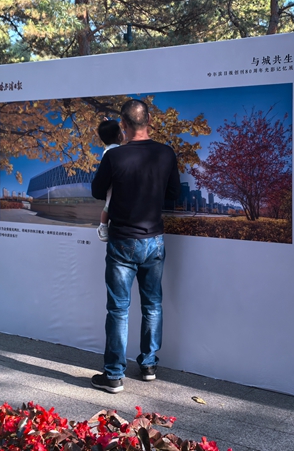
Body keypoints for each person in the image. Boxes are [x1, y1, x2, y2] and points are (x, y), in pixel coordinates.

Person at [90, 99, 181, 393]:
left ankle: (114, 376)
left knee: (118, 309)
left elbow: (96, 191)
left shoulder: (115, 157)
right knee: (152, 304)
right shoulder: (166, 153)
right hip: (154, 240)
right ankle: (149, 365)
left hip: (122, 242)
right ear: (149, 119)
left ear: (123, 125)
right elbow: (174, 194)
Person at [95, 120, 124, 243]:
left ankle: (103, 226)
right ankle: (103, 226)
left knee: (107, 206)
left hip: (112, 186)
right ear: (119, 136)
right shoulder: (119, 151)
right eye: (121, 131)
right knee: (108, 206)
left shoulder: (107, 151)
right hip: (116, 185)